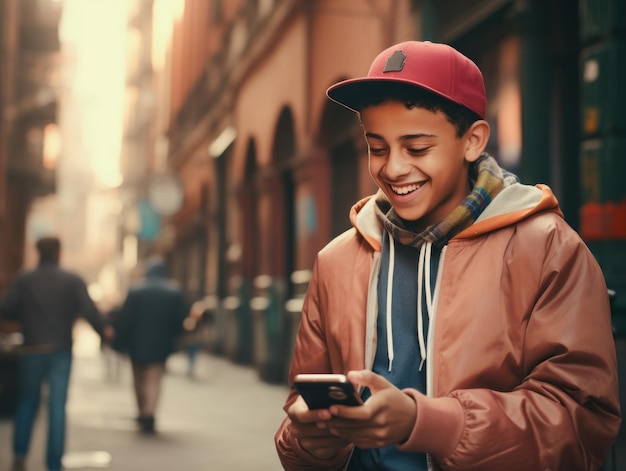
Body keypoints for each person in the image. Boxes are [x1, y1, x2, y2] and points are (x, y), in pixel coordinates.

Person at [274, 40, 621, 470]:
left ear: (472, 140)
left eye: (417, 148)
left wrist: (425, 423)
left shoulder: (548, 248)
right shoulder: (336, 261)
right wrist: (312, 441)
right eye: (376, 147)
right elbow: (297, 423)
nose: (393, 168)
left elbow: (581, 423)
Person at [0, 236, 110, 471]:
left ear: (38, 252)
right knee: (57, 406)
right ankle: (54, 463)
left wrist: (26, 316)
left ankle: (20, 454)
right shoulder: (72, 280)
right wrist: (104, 332)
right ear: (58, 252)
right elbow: (90, 311)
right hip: (60, 350)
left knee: (27, 402)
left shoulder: (24, 279)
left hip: (31, 349)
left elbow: (6, 308)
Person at [112, 256, 187, 434]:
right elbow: (179, 321)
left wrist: (119, 343)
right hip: (160, 346)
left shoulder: (136, 291)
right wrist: (174, 339)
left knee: (138, 380)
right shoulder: (174, 292)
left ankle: (142, 411)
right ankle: (149, 413)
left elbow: (125, 320)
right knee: (154, 380)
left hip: (136, 345)